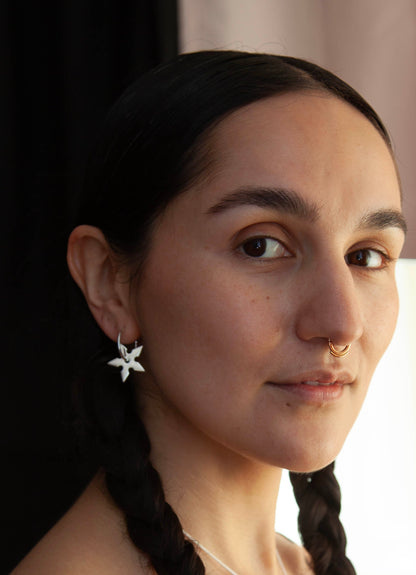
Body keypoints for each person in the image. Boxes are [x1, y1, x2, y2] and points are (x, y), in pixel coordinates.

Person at [12, 50, 406, 575]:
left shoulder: (297, 564)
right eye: (261, 246)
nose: (343, 323)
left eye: (367, 256)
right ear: (109, 282)